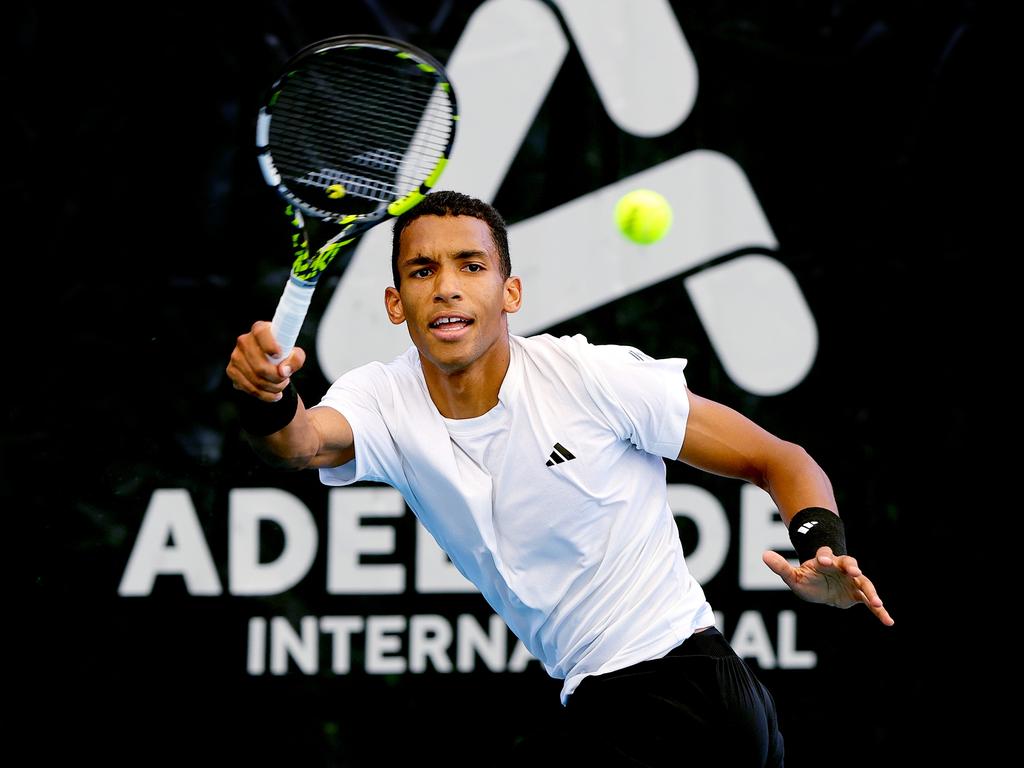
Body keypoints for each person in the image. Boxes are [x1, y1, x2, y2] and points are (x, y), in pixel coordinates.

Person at [227, 190, 893, 766]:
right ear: (396, 304)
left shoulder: (590, 379)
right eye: (423, 270)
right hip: (612, 704)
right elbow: (299, 445)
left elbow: (778, 457)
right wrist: (267, 397)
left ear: (509, 291)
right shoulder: (380, 398)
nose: (448, 286)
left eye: (472, 266)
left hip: (687, 698)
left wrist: (820, 546)